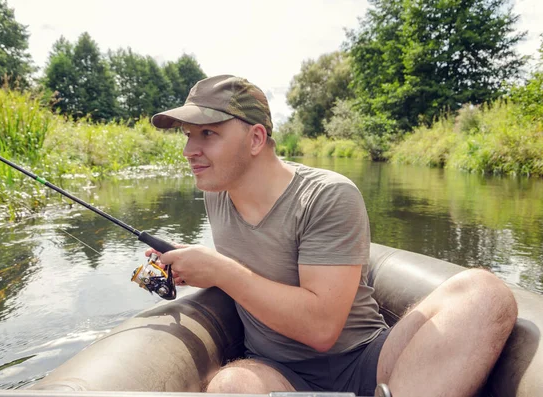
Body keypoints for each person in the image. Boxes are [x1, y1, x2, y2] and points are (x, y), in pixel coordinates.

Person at [148, 75, 518, 397]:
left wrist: (220, 270)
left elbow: (321, 328)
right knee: (230, 386)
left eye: (208, 134)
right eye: (187, 136)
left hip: (368, 360)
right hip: (275, 369)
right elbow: (250, 261)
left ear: (256, 138)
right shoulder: (215, 192)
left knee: (485, 293)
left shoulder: (329, 195)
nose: (189, 151)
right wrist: (192, 263)